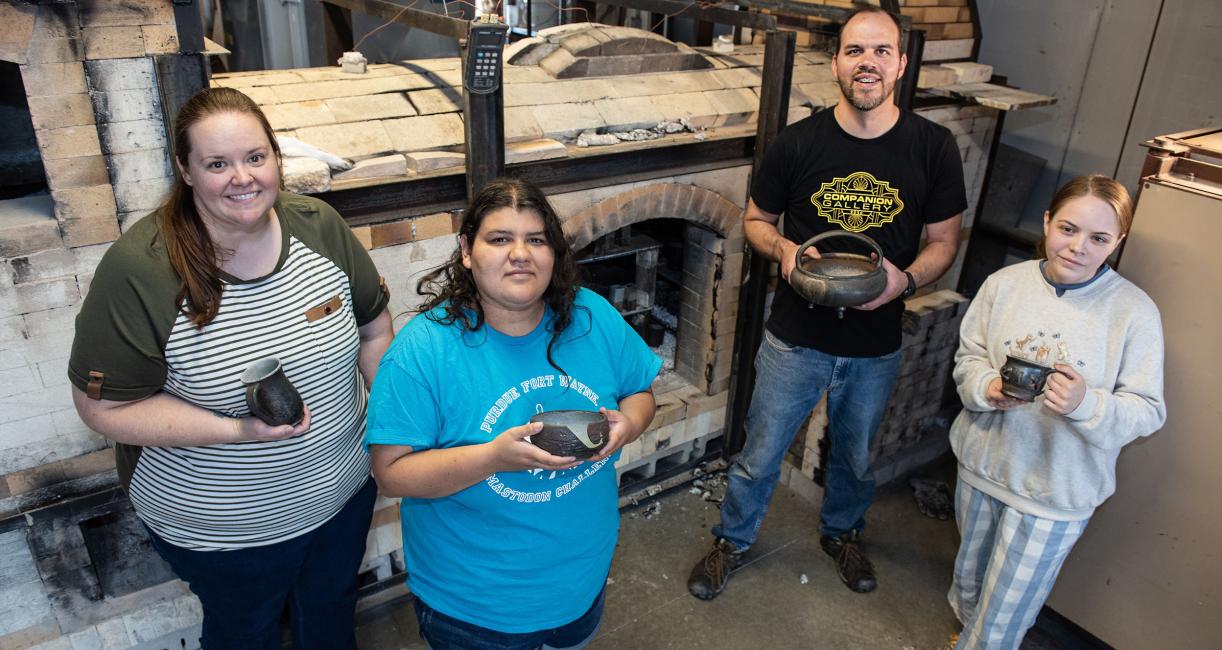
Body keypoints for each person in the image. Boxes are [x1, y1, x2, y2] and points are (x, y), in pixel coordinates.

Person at [68, 87, 393, 649]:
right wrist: (238, 431)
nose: (241, 177)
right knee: (246, 633)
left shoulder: (318, 225)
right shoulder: (139, 269)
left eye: (255, 157)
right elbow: (103, 408)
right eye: (217, 163)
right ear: (185, 170)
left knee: (331, 613)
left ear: (275, 157)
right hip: (226, 532)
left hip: (342, 495)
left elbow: (376, 330)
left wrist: (391, 429)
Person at [687, 5, 967, 599]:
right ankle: (731, 540)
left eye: (881, 52)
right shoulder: (797, 144)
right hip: (795, 338)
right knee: (760, 452)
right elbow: (756, 221)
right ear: (837, 62)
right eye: (855, 51)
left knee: (856, 458)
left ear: (900, 64)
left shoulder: (933, 147)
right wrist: (785, 251)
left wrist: (905, 282)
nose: (868, 63)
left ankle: (842, 533)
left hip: (876, 343)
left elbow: (944, 242)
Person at [366, 178, 660, 649]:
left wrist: (630, 425)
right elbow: (392, 476)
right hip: (475, 607)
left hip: (580, 580)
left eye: (536, 239)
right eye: (500, 239)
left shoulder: (592, 316)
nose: (520, 253)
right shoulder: (422, 351)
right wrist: (493, 458)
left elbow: (639, 392)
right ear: (467, 250)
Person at [945, 175, 1165, 649]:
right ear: (1047, 221)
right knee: (968, 583)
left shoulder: (1134, 313)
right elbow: (969, 359)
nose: (1078, 247)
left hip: (1054, 493)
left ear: (1118, 242)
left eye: (1099, 238)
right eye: (1067, 229)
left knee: (1002, 618)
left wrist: (1087, 405)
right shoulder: (1004, 285)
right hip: (982, 469)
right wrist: (987, 388)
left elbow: (1147, 411)